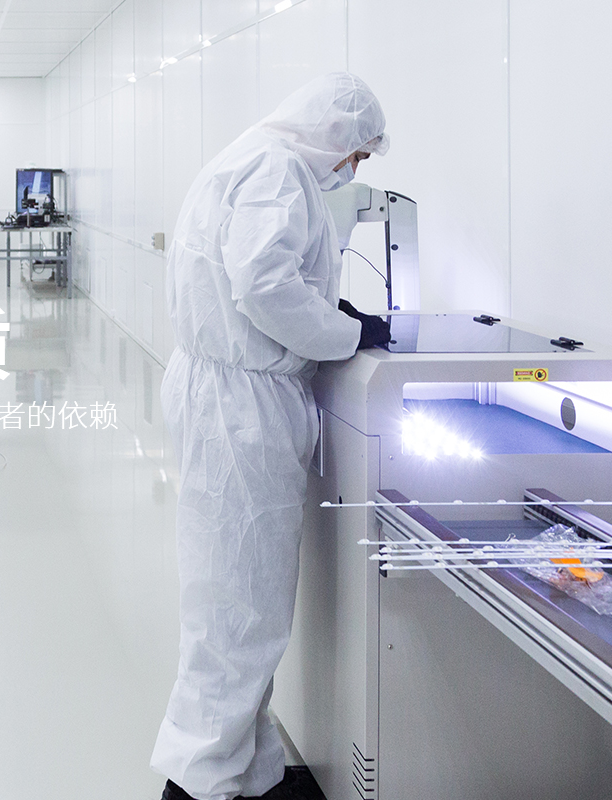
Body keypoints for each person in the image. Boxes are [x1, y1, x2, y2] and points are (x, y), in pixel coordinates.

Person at [152, 73, 391, 800]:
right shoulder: (279, 171)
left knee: (240, 596)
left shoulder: (252, 157)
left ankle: (248, 770)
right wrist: (345, 331)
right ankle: (198, 782)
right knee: (238, 607)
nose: (355, 166)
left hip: (225, 393)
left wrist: (327, 309)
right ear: (336, 135)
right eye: (358, 152)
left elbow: (258, 273)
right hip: (242, 408)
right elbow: (262, 284)